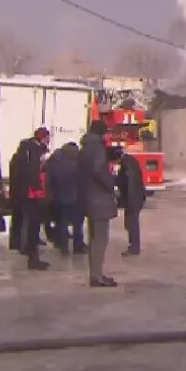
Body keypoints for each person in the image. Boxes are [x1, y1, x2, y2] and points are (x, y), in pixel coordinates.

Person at [79, 120, 118, 287]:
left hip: (89, 197)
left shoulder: (85, 148)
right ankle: (97, 276)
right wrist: (110, 184)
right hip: (99, 199)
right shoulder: (97, 148)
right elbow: (99, 170)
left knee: (94, 238)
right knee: (101, 239)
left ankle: (95, 274)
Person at [8, 127, 51, 270]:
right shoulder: (34, 150)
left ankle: (26, 250)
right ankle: (33, 258)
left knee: (26, 222)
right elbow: (34, 173)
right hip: (32, 194)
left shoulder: (24, 151)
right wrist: (39, 190)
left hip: (23, 193)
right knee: (33, 225)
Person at [45, 142, 86, 255]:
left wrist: (51, 196)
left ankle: (64, 247)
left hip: (60, 198)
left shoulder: (56, 165)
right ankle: (78, 247)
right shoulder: (78, 166)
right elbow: (82, 183)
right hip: (76, 199)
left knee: (62, 224)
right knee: (78, 225)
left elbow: (50, 183)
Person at [116, 148, 147, 257]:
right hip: (135, 198)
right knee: (130, 223)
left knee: (132, 223)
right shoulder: (129, 162)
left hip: (133, 199)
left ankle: (134, 247)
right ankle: (133, 246)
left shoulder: (127, 166)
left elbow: (128, 184)